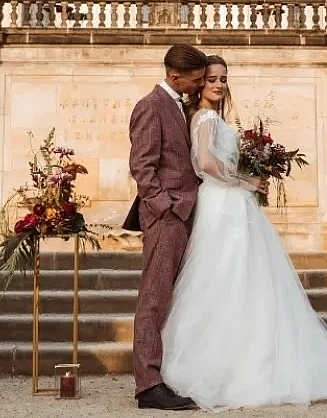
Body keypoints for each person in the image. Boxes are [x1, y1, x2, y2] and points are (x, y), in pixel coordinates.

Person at [160, 55, 327, 413]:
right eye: (212, 79)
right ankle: (225, 367)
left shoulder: (215, 119)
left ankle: (252, 361)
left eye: (223, 79)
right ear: (200, 83)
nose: (218, 84)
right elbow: (207, 164)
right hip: (222, 203)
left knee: (248, 279)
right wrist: (247, 180)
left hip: (231, 201)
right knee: (224, 278)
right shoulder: (206, 118)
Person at [124, 43, 207, 411]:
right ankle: (148, 386)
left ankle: (167, 372)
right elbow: (142, 167)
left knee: (174, 298)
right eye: (197, 79)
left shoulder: (183, 106)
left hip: (188, 212)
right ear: (175, 76)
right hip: (167, 217)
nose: (200, 84)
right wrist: (166, 208)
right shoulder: (150, 106)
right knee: (154, 299)